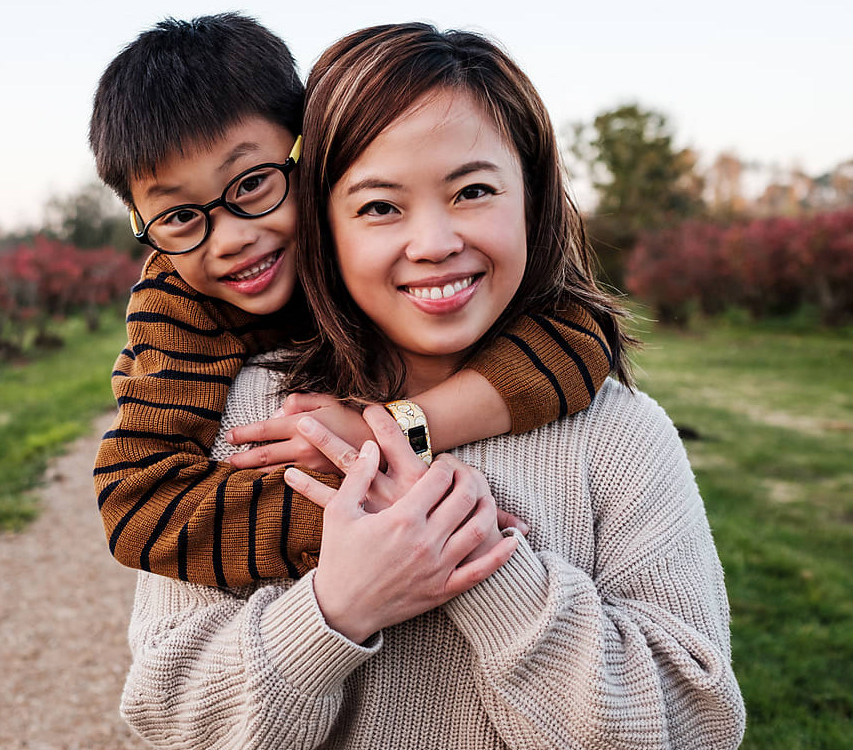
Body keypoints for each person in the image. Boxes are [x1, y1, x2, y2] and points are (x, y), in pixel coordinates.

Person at [119, 23, 745, 748]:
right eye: (380, 206)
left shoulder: (620, 437)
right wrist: (335, 608)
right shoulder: (255, 419)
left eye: (473, 190)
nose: (435, 242)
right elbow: (168, 716)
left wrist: (479, 569)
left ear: (533, 198)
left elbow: (696, 728)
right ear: (323, 221)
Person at [89, 13, 612, 588]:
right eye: (181, 216)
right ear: (144, 223)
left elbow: (580, 334)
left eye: (252, 184)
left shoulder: (367, 244)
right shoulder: (180, 304)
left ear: (309, 156)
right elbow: (137, 507)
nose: (233, 237)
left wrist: (386, 429)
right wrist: (381, 513)